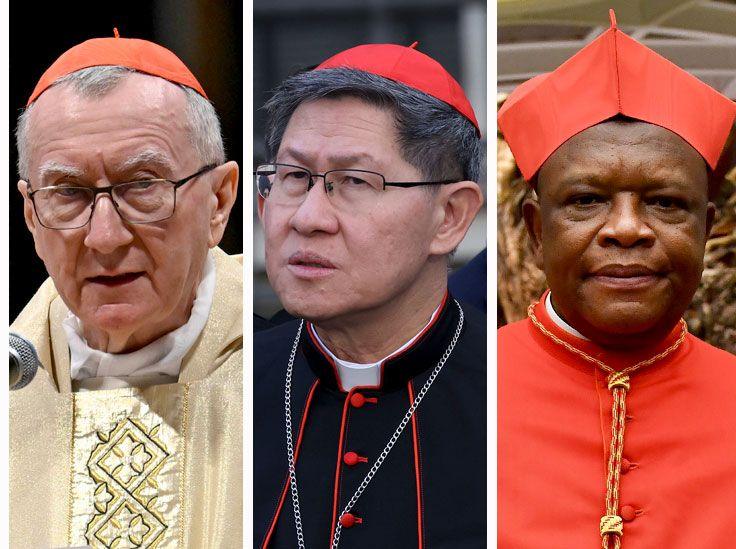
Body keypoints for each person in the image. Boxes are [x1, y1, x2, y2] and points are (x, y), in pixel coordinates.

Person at [497, 10, 736, 548]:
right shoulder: (449, 395)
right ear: (537, 231)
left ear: (706, 230)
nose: (627, 230)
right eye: (585, 201)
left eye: (666, 203)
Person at [9, 33, 242, 547]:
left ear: (219, 202)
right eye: (68, 193)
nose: (105, 237)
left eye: (142, 185)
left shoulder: (282, 371)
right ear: (31, 217)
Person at [253, 42, 486, 547]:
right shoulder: (231, 383)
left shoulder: (508, 393)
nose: (308, 218)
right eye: (294, 177)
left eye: (354, 181)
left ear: (450, 218)